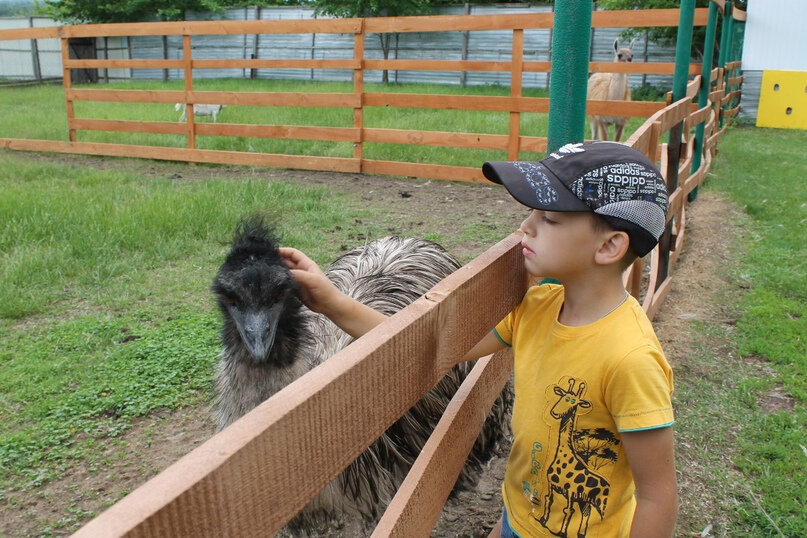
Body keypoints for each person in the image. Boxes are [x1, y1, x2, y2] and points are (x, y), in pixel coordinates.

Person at [279, 141, 678, 537]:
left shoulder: (631, 359)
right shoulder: (536, 307)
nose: (526, 227)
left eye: (549, 219)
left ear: (609, 246)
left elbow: (657, 494)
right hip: (520, 519)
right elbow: (437, 345)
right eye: (531, 213)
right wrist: (331, 301)